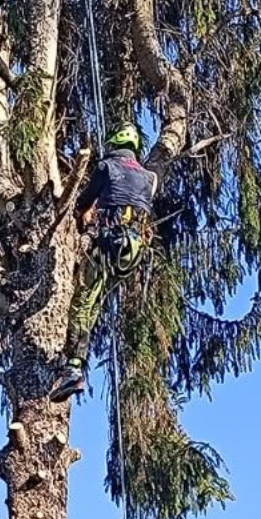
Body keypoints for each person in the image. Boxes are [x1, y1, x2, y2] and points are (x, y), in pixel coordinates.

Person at [51, 123, 159, 401]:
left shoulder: (106, 167)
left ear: (113, 144)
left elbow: (84, 202)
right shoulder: (149, 177)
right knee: (94, 302)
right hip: (132, 251)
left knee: (82, 304)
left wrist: (83, 217)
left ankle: (73, 368)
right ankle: (74, 363)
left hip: (108, 243)